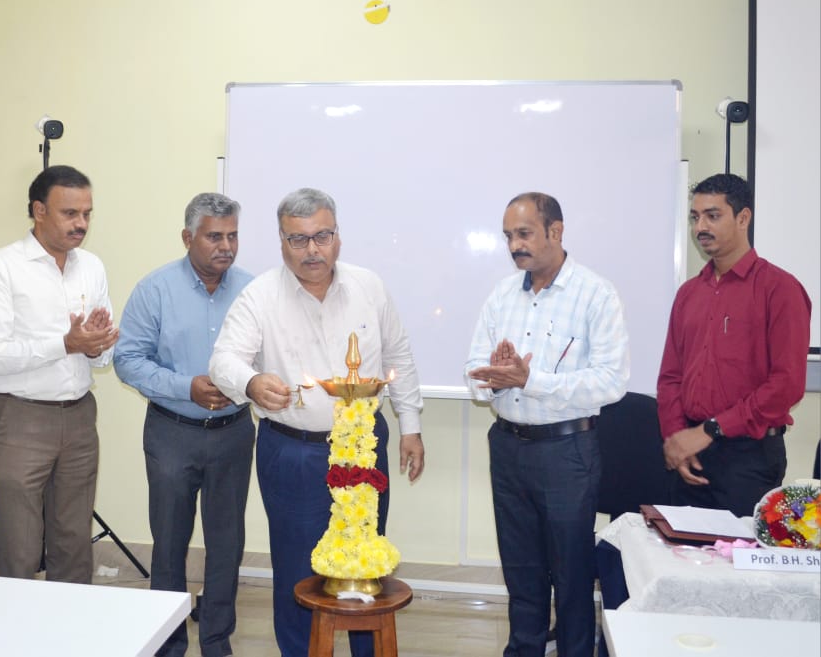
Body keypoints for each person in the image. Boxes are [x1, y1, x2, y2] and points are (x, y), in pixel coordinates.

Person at [209, 187, 425, 657]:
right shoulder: (259, 296)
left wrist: (410, 426)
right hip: (293, 449)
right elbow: (223, 360)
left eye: (322, 236)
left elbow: (399, 356)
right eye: (298, 239)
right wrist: (250, 382)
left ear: (337, 236)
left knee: (364, 562)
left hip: (364, 445)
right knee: (298, 571)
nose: (312, 250)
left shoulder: (369, 287)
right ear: (282, 241)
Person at [465, 192, 629, 657]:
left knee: (572, 574)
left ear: (556, 231)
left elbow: (611, 381)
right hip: (508, 446)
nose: (514, 245)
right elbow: (474, 370)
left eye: (524, 234)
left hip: (567, 452)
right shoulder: (502, 294)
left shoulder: (596, 293)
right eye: (508, 236)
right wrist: (495, 379)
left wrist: (530, 380)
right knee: (521, 571)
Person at [114, 193, 254, 657]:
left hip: (234, 433)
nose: (226, 246)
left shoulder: (253, 291)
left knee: (227, 543)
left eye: (232, 236)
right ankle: (168, 644)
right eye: (214, 236)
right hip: (172, 432)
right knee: (169, 542)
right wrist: (184, 387)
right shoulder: (155, 289)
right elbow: (128, 360)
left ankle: (216, 641)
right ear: (187, 237)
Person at [0, 164, 118, 583]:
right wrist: (66, 344)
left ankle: (70, 621)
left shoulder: (91, 266)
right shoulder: (1, 266)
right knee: (20, 540)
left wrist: (97, 345)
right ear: (39, 211)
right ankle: (17, 620)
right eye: (70, 213)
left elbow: (100, 358)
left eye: (87, 213)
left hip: (79, 414)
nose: (81, 224)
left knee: (73, 538)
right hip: (21, 417)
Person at [657, 173, 811, 518]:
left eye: (713, 215)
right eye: (695, 217)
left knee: (738, 553)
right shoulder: (688, 294)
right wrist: (677, 437)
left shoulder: (780, 290)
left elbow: (786, 385)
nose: (700, 227)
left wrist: (711, 429)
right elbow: (670, 377)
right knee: (682, 550)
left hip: (749, 458)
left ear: (743, 218)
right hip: (690, 455)